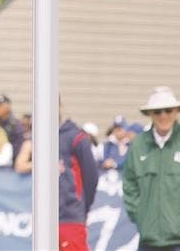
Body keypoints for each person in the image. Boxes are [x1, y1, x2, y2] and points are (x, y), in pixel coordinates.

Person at [123, 87, 180, 251]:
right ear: (150, 114)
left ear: (176, 111)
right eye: (157, 111)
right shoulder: (138, 146)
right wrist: (142, 215)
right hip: (150, 240)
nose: (163, 115)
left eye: (168, 110)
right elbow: (129, 186)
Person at [58, 102, 99, 251]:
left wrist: (81, 206)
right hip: (44, 218)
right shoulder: (40, 137)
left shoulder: (76, 137)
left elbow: (91, 178)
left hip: (70, 216)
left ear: (59, 105)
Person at [0, 94, 25, 161]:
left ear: (7, 107)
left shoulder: (16, 125)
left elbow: (18, 147)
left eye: (0, 106)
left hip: (9, 161)